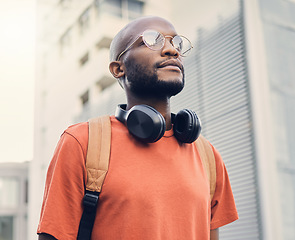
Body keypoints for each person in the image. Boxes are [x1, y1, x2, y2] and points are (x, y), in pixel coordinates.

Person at [37, 16, 238, 240]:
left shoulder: (209, 156)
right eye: (152, 40)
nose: (172, 50)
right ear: (118, 68)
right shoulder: (82, 142)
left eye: (176, 42)